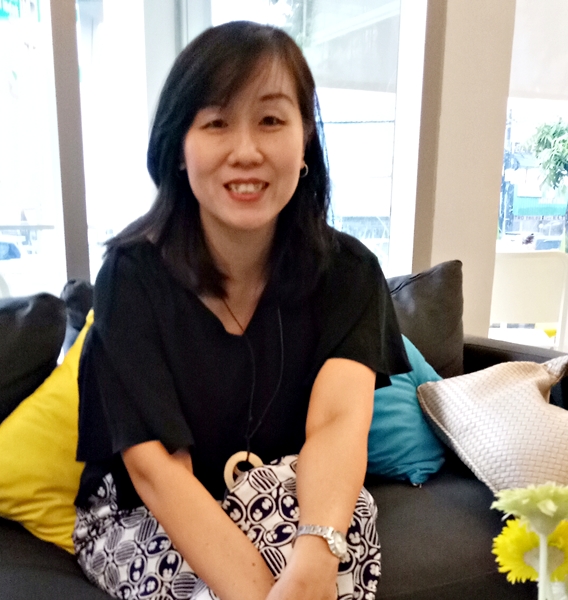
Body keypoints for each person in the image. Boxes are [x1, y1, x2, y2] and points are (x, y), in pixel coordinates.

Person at [73, 20, 410, 600]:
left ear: (306, 140)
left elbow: (337, 428)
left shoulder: (350, 272)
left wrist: (312, 565)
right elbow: (157, 470)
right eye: (217, 123)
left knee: (341, 524)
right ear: (179, 148)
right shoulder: (130, 277)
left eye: (271, 120)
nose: (246, 151)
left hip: (283, 493)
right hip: (140, 512)